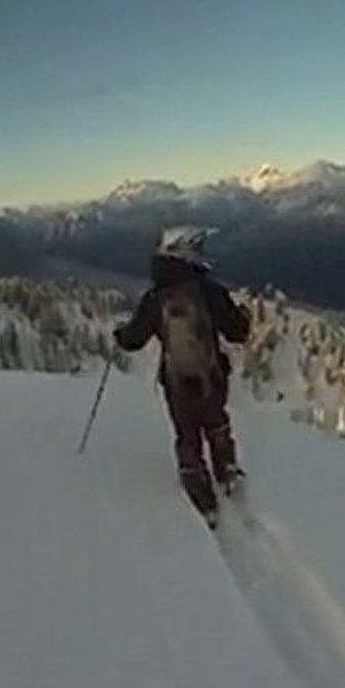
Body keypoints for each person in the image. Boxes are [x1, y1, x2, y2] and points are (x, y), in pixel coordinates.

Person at [113, 226, 251, 528]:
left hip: (176, 381)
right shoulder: (209, 291)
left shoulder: (154, 298)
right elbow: (238, 332)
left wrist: (120, 335)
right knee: (216, 421)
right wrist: (243, 315)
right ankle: (226, 469)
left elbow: (133, 340)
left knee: (186, 433)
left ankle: (198, 487)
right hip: (211, 375)